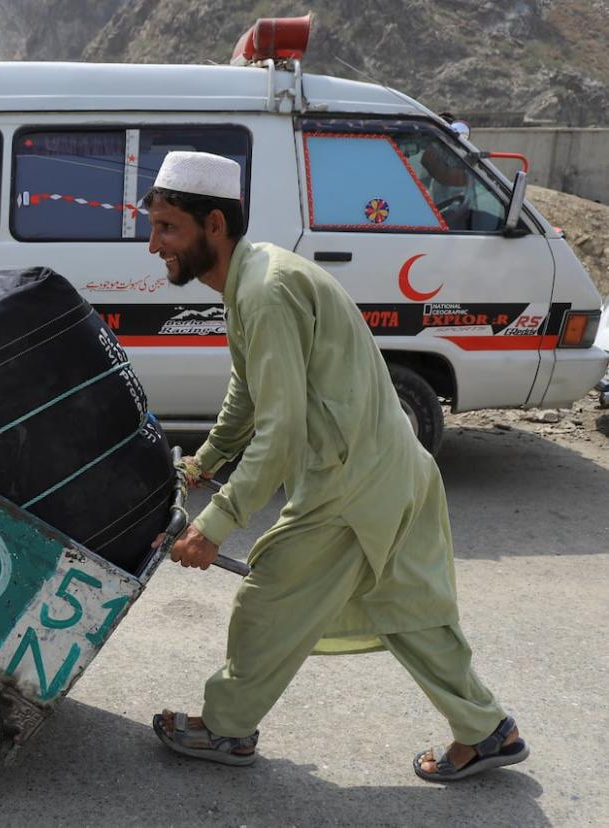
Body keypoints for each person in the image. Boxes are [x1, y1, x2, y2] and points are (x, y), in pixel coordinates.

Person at [145, 150, 528, 782]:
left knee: (267, 598)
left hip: (351, 482)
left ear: (213, 225)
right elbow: (249, 388)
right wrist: (204, 462)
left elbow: (282, 427)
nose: (154, 244)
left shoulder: (264, 292)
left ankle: (226, 729)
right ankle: (488, 731)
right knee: (408, 608)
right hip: (392, 466)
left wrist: (214, 523)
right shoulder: (255, 276)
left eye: (167, 228)